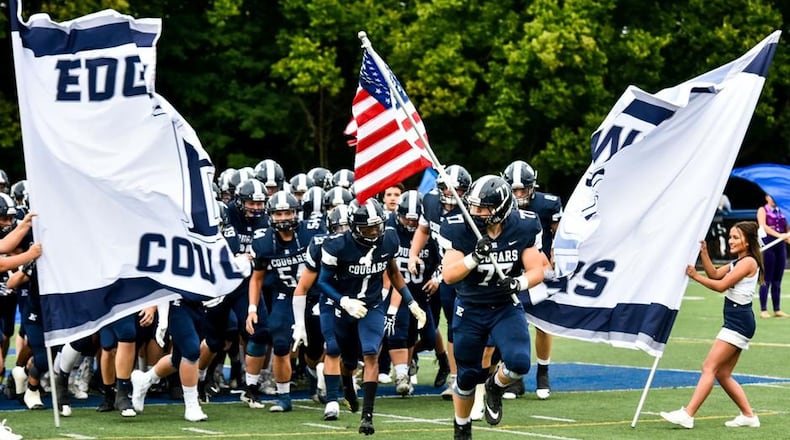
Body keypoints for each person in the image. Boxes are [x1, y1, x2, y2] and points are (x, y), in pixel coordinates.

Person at [439, 175, 548, 439]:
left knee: (519, 363)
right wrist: (474, 258)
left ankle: (495, 386)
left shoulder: (524, 225)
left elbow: (538, 270)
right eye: (473, 206)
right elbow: (449, 275)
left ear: (500, 208)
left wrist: (518, 283)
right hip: (470, 307)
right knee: (466, 376)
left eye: (482, 208)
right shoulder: (457, 227)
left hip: (504, 306)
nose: (475, 212)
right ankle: (462, 427)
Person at [661, 221, 763, 429]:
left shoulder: (748, 262)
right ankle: (749, 416)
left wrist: (694, 277)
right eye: (731, 237)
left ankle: (688, 414)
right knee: (722, 374)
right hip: (738, 320)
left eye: (736, 237)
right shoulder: (739, 262)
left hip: (739, 321)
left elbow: (721, 286)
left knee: (709, 367)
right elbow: (715, 274)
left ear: (748, 241)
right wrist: (704, 253)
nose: (731, 241)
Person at [502, 160, 562, 399]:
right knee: (514, 325)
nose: (518, 195)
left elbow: (561, 233)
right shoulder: (499, 205)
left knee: (543, 324)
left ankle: (543, 372)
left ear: (532, 186)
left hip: (540, 270)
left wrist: (555, 256)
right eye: (513, 190)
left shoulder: (548, 204)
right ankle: (515, 377)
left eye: (522, 190)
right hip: (510, 270)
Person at [756, 193, 789, 318]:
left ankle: (777, 309)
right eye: (771, 196)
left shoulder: (783, 210)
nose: (774, 199)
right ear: (766, 197)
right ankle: (763, 309)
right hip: (768, 247)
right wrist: (779, 235)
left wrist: (786, 235)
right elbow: (763, 226)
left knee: (777, 280)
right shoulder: (762, 210)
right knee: (766, 278)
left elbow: (787, 227)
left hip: (780, 247)